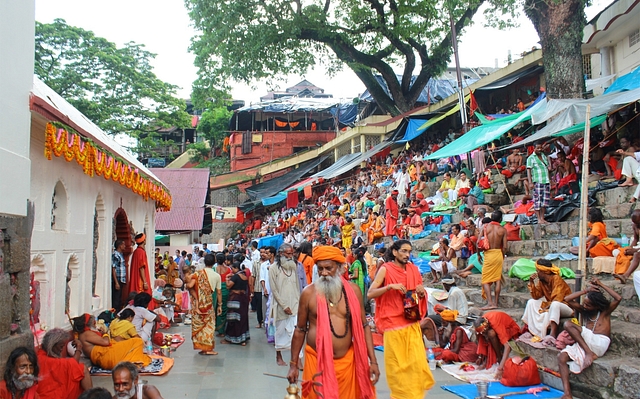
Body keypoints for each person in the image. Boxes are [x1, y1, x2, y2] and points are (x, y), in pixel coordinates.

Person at [287, 246, 378, 399]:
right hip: (316, 361)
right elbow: (300, 330)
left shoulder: (354, 291)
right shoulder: (308, 293)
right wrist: (293, 365)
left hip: (347, 363)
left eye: (328, 268)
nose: (323, 273)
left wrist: (373, 362)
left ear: (340, 267)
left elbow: (364, 326)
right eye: (320, 268)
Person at [367, 240, 434, 398]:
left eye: (409, 251)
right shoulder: (385, 269)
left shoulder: (413, 269)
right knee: (398, 369)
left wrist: (422, 292)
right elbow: (370, 293)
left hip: (411, 324)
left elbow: (420, 294)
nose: (407, 255)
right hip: (393, 325)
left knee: (416, 365)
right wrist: (390, 287)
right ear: (395, 252)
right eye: (403, 251)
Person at [558, 277, 621, 399]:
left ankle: (589, 353)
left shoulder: (604, 312)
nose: (585, 306)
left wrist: (601, 284)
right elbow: (567, 299)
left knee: (568, 324)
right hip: (587, 343)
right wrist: (586, 291)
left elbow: (618, 298)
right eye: (585, 303)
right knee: (561, 357)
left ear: (597, 306)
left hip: (599, 343)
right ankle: (567, 394)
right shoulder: (584, 310)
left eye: (589, 305)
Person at [73, 314, 150, 370]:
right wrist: (105, 333)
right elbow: (105, 342)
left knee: (132, 343)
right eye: (94, 322)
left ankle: (133, 361)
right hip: (106, 357)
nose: (95, 324)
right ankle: (134, 361)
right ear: (91, 323)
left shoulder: (85, 333)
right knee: (137, 341)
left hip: (105, 354)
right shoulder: (86, 334)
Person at [521, 259, 573, 338]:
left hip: (566, 307)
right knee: (531, 302)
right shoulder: (542, 281)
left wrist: (545, 308)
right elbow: (536, 296)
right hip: (551, 305)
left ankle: (553, 334)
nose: (536, 273)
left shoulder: (556, 278)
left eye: (538, 271)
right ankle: (531, 330)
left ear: (543, 271)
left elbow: (557, 299)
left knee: (555, 304)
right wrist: (531, 282)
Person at [269, 243, 301, 366]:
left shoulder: (293, 267)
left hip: (295, 305)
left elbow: (297, 286)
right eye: (288, 254)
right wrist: (283, 305)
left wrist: (299, 302)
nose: (291, 256)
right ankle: (279, 356)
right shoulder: (273, 268)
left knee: (296, 333)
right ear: (281, 254)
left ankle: (296, 359)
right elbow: (274, 290)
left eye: (292, 253)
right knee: (280, 332)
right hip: (280, 306)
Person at [37, 328, 92, 399]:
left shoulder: (40, 354)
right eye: (61, 347)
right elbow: (73, 364)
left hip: (53, 390)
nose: (61, 350)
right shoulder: (45, 358)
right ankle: (92, 396)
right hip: (52, 395)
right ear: (52, 345)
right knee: (82, 369)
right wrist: (78, 349)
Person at [185, 253, 222, 355]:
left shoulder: (197, 274)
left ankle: (203, 347)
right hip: (209, 304)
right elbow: (219, 292)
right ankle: (208, 349)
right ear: (214, 263)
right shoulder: (217, 276)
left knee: (200, 325)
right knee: (209, 325)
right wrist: (220, 305)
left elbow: (189, 284)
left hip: (198, 304)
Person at [421, 275, 468, 344]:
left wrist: (442, 309)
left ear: (445, 285)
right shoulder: (457, 290)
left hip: (458, 319)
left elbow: (451, 313)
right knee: (437, 315)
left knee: (430, 318)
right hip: (460, 315)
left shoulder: (453, 294)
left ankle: (435, 339)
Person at [473, 311, 521, 377]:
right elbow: (480, 337)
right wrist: (480, 356)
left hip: (511, 329)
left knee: (491, 333)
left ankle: (499, 357)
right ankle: (486, 359)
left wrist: (500, 368)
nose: (484, 335)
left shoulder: (496, 324)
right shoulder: (483, 321)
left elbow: (507, 347)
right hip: (493, 327)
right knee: (480, 334)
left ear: (487, 326)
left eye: (484, 332)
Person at [481, 210, 507, 310]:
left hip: (488, 254)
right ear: (501, 219)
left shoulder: (485, 227)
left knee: (485, 280)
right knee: (497, 279)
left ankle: (490, 303)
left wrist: (479, 255)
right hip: (498, 254)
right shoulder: (503, 230)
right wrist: (502, 256)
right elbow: (505, 247)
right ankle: (495, 303)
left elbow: (479, 243)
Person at [222, 262, 250, 345]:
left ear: (236, 268)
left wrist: (227, 279)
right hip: (243, 299)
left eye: (233, 268)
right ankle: (243, 339)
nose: (232, 270)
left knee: (233, 318)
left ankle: (232, 338)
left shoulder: (236, 277)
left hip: (235, 298)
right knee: (242, 318)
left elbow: (228, 286)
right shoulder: (245, 276)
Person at [526, 141, 551, 224]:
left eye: (540, 148)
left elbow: (547, 168)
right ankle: (539, 219)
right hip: (538, 181)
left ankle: (542, 218)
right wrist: (530, 182)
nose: (540, 149)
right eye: (538, 148)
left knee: (545, 201)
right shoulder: (530, 158)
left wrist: (550, 179)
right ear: (534, 148)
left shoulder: (544, 156)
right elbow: (528, 170)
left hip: (546, 181)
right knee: (538, 201)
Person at [615, 209, 640, 285]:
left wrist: (634, 251)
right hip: (638, 246)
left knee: (636, 255)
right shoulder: (635, 225)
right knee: (617, 252)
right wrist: (630, 248)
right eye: (635, 223)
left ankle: (625, 276)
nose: (637, 224)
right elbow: (635, 239)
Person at [128, 234, 153, 309]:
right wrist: (145, 282)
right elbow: (141, 268)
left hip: (136, 278)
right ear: (144, 241)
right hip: (140, 281)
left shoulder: (136, 252)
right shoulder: (141, 252)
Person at [215, 253, 231, 336]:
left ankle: (220, 330)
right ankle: (224, 328)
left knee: (217, 308)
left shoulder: (215, 269)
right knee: (224, 309)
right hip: (227, 290)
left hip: (218, 290)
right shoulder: (228, 269)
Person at [112, 240, 127, 311]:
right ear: (120, 246)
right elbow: (113, 268)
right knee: (116, 299)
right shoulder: (116, 255)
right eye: (123, 244)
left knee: (119, 298)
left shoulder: (121, 254)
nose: (125, 246)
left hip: (121, 279)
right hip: (117, 279)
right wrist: (116, 282)